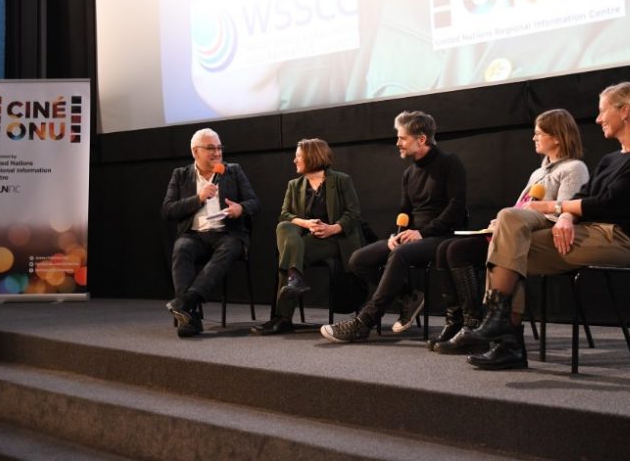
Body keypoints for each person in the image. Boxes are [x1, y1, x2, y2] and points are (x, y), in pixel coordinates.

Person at [465, 82, 630, 369]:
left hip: (619, 239)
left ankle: (503, 334)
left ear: (625, 111)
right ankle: (505, 337)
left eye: (603, 112)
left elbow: (611, 204)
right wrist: (566, 216)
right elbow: (583, 198)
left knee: (511, 247)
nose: (598, 119)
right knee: (510, 241)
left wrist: (556, 208)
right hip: (587, 231)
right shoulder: (611, 159)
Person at [432, 109, 589, 354]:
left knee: (460, 251)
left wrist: (513, 219)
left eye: (539, 133)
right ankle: (465, 321)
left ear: (557, 137)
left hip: (540, 234)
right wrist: (500, 222)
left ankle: (480, 323)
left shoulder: (574, 168)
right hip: (516, 229)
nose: (534, 138)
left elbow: (564, 211)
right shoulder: (538, 172)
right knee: (446, 249)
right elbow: (520, 208)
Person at [320, 110, 467, 343]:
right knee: (359, 260)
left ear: (421, 139)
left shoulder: (449, 163)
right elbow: (405, 212)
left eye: (402, 137)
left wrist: (422, 232)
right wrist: (396, 235)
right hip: (413, 236)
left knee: (399, 254)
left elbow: (456, 209)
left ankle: (363, 322)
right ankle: (408, 296)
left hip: (443, 237)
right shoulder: (409, 173)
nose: (397, 143)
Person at [251, 138, 364, 335]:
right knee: (284, 226)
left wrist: (332, 228)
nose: (294, 161)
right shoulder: (294, 185)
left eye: (298, 157)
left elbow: (354, 214)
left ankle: (282, 317)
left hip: (335, 239)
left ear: (312, 157)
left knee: (288, 253)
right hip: (304, 237)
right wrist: (305, 223)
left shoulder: (341, 180)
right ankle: (295, 279)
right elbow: (284, 214)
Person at [162, 128, 260, 338]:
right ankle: (191, 317)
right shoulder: (181, 175)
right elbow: (168, 210)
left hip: (228, 233)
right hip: (194, 235)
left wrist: (240, 209)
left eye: (219, 148)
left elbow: (254, 202)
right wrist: (198, 198)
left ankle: (186, 304)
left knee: (230, 247)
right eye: (210, 148)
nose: (217, 153)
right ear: (195, 152)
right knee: (181, 248)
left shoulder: (233, 170)